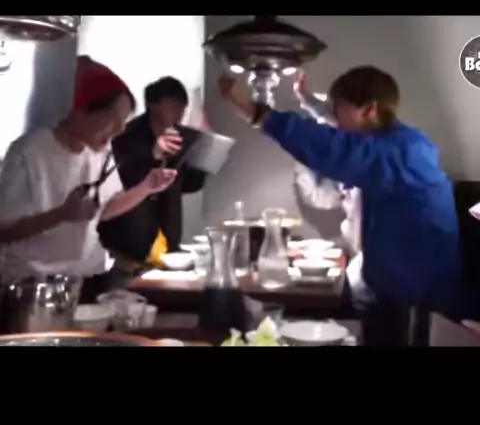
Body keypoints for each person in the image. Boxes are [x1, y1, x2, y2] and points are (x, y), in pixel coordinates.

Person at [219, 66, 462, 346]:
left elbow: (337, 147)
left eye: (338, 110)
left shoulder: (400, 153)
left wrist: (257, 113)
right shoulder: (397, 142)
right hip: (393, 284)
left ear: (369, 109)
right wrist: (308, 101)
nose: (334, 119)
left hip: (415, 296)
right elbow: (343, 131)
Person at [0, 59, 177, 300]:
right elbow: (4, 231)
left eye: (124, 121)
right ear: (79, 109)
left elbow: (105, 209)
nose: (119, 130)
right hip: (31, 288)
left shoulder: (99, 151)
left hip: (85, 279)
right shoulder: (30, 152)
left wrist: (147, 186)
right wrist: (61, 214)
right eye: (113, 118)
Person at [102, 76, 207, 266]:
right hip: (129, 242)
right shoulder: (126, 135)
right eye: (173, 104)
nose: (179, 111)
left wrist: (203, 160)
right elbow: (123, 183)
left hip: (168, 240)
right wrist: (154, 155)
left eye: (183, 105)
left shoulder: (182, 137)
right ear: (154, 105)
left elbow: (189, 185)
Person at [292, 72, 369, 309]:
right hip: (361, 260)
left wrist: (307, 100)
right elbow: (321, 198)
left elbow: (334, 122)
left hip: (379, 268)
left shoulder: (371, 148)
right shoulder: (347, 163)